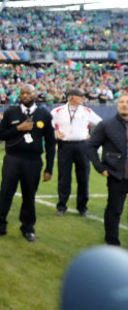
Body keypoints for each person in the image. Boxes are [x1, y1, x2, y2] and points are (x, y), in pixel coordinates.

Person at [0, 84, 56, 242]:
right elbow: (0, 134)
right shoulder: (11, 112)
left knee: (29, 196)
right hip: (12, 159)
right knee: (5, 193)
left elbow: (51, 143)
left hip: (33, 161)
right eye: (22, 93)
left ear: (35, 94)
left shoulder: (44, 114)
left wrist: (49, 168)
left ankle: (28, 229)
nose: (25, 95)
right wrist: (18, 128)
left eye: (28, 92)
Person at [51, 88, 102, 217]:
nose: (83, 98)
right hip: (65, 146)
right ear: (72, 97)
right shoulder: (58, 111)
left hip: (83, 146)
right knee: (64, 177)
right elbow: (48, 124)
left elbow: (101, 124)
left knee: (83, 177)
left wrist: (93, 137)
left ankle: (82, 207)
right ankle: (62, 206)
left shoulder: (87, 111)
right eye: (80, 96)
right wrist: (55, 133)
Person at [86, 94, 128, 246]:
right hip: (117, 175)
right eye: (122, 102)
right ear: (117, 105)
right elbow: (90, 146)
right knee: (114, 209)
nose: (124, 105)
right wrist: (100, 167)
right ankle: (112, 242)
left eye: (127, 102)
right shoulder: (107, 125)